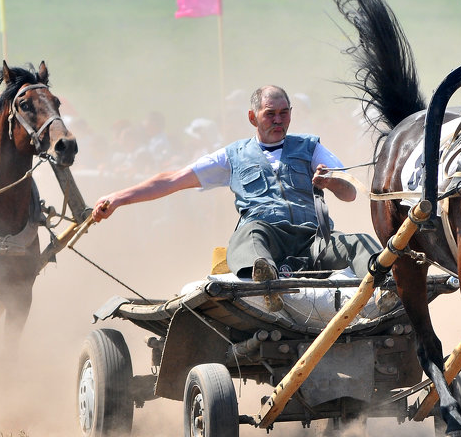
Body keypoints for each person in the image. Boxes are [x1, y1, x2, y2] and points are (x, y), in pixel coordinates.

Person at [92, 85, 378, 307]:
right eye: (270, 113)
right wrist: (118, 198)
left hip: (312, 240)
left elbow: (350, 191)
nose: (278, 120)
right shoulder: (232, 156)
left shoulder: (311, 147)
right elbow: (172, 180)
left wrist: (330, 182)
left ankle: (387, 287)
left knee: (359, 242)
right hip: (267, 239)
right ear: (253, 117)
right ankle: (266, 282)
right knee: (250, 233)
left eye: (284, 113)